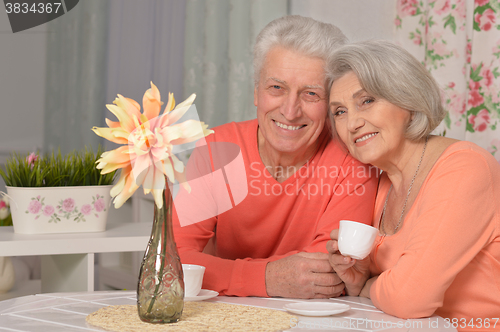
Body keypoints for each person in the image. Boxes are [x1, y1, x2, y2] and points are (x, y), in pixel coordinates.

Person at [172, 15, 378, 299]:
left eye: (311, 94)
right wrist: (268, 278)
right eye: (277, 88)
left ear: (331, 104)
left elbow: (329, 275)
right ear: (257, 91)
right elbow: (171, 260)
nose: (290, 111)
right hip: (225, 317)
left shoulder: (352, 161)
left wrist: (221, 273)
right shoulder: (216, 148)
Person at [326, 40, 500, 324]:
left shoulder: (466, 167)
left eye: (367, 101)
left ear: (407, 100)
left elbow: (409, 297)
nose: (352, 123)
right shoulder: (382, 183)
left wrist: (368, 287)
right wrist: (358, 277)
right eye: (340, 112)